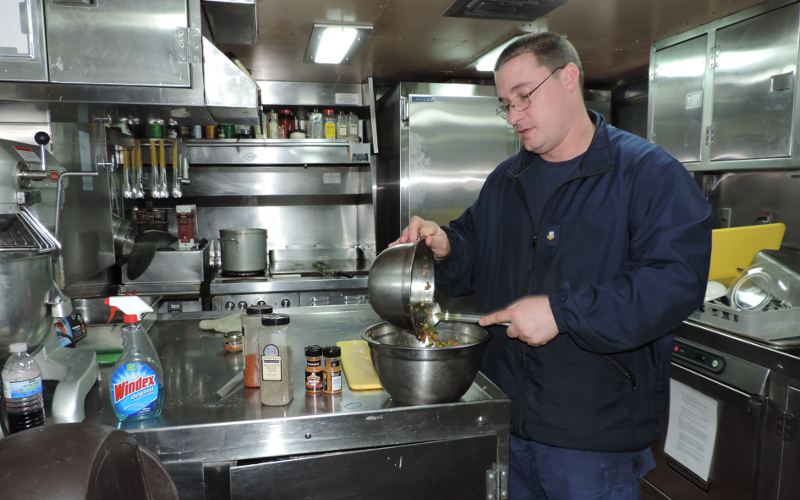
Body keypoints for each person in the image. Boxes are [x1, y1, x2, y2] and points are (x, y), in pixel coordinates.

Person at [392, 32, 712, 499]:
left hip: (591, 438)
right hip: (507, 419)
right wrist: (445, 247)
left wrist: (562, 313)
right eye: (506, 103)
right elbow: (472, 255)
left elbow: (674, 284)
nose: (515, 115)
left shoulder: (648, 174)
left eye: (524, 96)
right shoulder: (508, 179)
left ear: (568, 79)